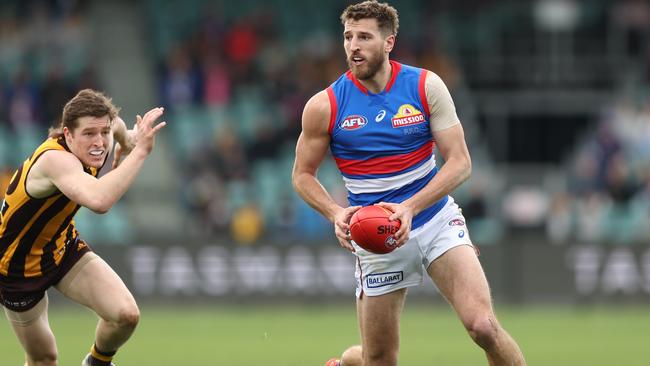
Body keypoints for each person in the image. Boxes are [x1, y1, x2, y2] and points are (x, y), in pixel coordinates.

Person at [291, 1, 526, 365]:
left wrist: (411, 207)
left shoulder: (425, 86)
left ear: (389, 43)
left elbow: (461, 163)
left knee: (482, 325)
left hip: (434, 221)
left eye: (364, 37)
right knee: (380, 359)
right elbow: (302, 175)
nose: (353, 45)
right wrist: (335, 213)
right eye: (348, 37)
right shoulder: (326, 105)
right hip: (376, 237)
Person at [0, 89, 166, 366]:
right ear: (68, 134)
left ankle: (96, 363)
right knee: (44, 359)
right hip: (17, 266)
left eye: (103, 132)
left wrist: (129, 139)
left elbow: (117, 125)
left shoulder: (102, 131)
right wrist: (141, 152)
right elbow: (99, 200)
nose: (100, 142)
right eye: (89, 134)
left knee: (125, 315)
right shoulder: (56, 161)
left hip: (60, 245)